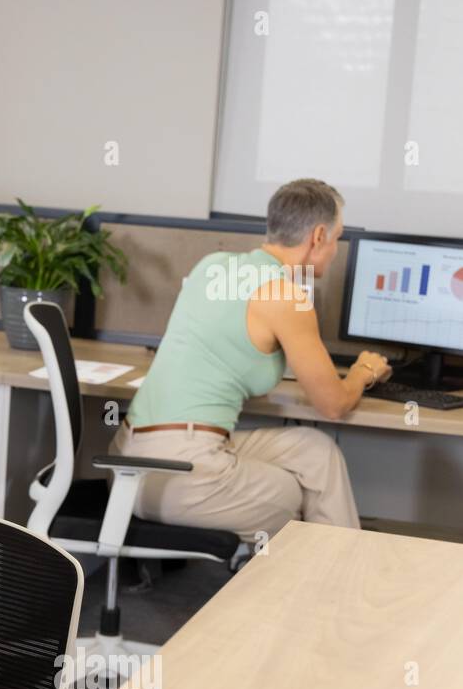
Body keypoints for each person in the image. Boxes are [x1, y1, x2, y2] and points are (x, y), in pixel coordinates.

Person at [111, 178, 391, 541]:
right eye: (337, 237)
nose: (337, 249)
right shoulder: (286, 296)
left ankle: (336, 574)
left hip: (131, 456)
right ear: (318, 236)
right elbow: (333, 405)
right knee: (291, 492)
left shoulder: (212, 265)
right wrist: (364, 371)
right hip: (176, 471)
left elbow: (227, 347)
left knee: (316, 451)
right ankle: (326, 582)